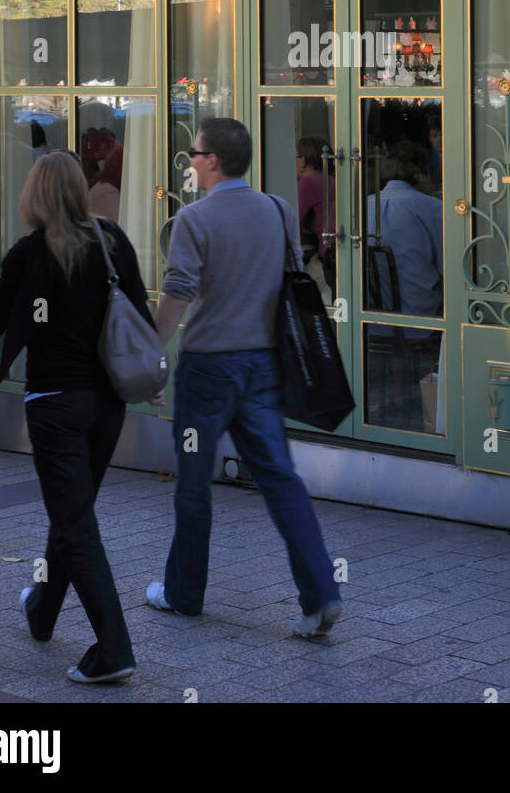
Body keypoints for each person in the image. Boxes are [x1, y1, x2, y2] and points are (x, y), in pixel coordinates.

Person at [0, 151, 155, 684]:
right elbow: (141, 318)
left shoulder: (29, 253)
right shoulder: (113, 243)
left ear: (34, 195)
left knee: (76, 522)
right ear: (79, 190)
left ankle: (114, 650)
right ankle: (43, 611)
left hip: (56, 405)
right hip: (107, 405)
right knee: (72, 513)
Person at [146, 117, 342, 637]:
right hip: (262, 366)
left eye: (193, 152)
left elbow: (180, 291)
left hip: (207, 368)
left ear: (212, 160)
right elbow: (287, 276)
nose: (189, 160)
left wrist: (148, 353)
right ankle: (321, 594)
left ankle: (184, 595)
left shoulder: (194, 220)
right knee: (280, 478)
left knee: (193, 484)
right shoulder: (277, 210)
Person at [366, 140, 443, 316]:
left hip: (368, 320)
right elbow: (450, 267)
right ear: (419, 173)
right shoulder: (431, 207)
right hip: (419, 319)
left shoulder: (363, 206)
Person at [295, 136, 335, 301]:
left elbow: (290, 220)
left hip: (326, 257)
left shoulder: (308, 183)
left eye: (295, 158)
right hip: (334, 253)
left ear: (303, 160)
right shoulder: (330, 180)